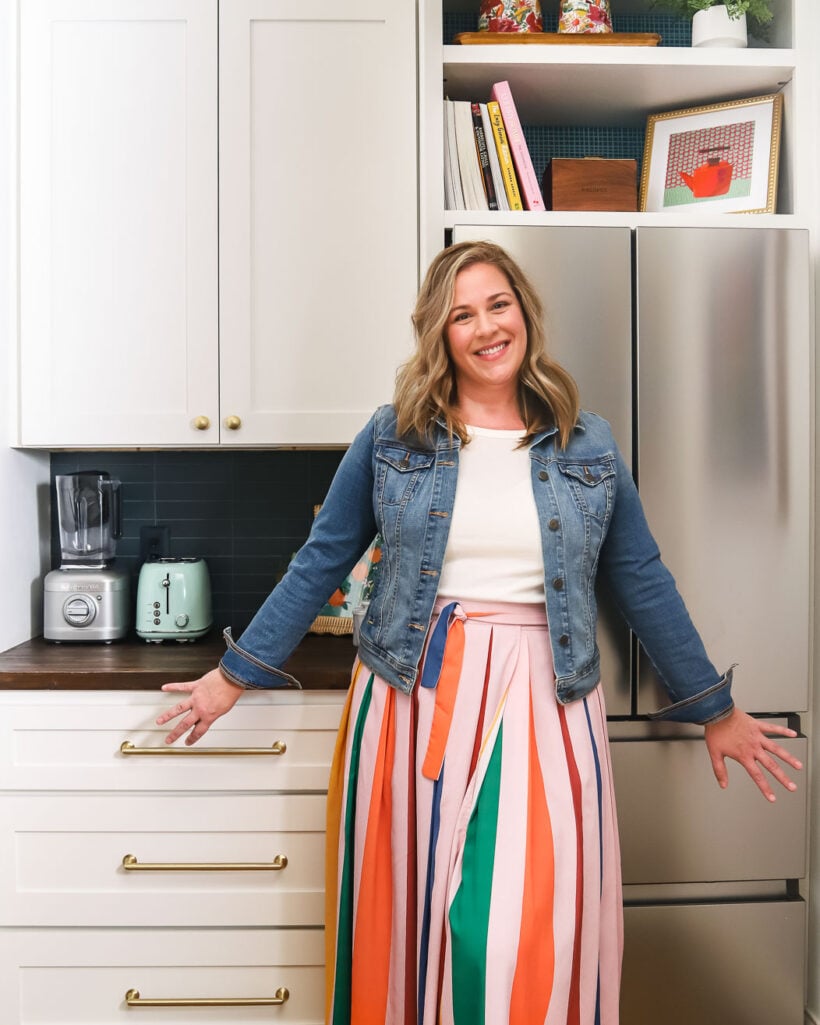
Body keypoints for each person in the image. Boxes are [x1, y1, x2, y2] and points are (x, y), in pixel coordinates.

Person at [157, 241, 802, 1025]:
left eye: (498, 304)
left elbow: (641, 577)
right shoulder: (394, 436)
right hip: (411, 693)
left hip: (547, 699)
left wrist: (714, 706)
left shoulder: (586, 443)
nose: (486, 327)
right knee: (408, 915)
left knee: (513, 933)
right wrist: (234, 675)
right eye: (462, 315)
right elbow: (320, 559)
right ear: (439, 334)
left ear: (524, 312)